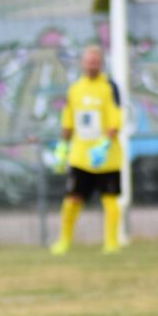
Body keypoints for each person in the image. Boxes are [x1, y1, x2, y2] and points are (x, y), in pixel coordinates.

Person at [50, 45, 124, 255]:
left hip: (106, 157)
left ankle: (111, 243)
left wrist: (105, 144)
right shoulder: (75, 89)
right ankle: (64, 240)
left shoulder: (110, 87)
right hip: (81, 156)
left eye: (95, 61)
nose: (92, 64)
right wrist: (63, 147)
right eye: (88, 61)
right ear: (83, 63)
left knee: (110, 199)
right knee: (72, 200)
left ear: (101, 63)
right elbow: (68, 121)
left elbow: (115, 120)